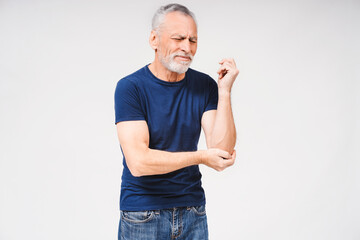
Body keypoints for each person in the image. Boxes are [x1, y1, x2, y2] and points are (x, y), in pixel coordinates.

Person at [114, 3, 238, 240]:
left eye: (192, 40)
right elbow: (139, 162)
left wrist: (225, 91)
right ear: (154, 39)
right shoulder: (130, 88)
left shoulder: (205, 86)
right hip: (143, 214)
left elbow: (221, 152)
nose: (186, 47)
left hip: (193, 212)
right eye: (178, 38)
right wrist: (201, 156)